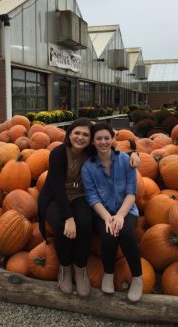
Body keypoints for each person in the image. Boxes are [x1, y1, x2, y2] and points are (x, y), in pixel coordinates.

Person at [38, 118, 140, 298]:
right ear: (69, 133)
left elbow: (111, 149)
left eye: (85, 134)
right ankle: (65, 268)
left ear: (89, 139)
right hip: (56, 197)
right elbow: (58, 189)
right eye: (77, 133)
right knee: (62, 226)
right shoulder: (58, 153)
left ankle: (81, 269)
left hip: (79, 196)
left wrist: (134, 154)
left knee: (85, 224)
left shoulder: (91, 151)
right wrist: (69, 218)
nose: (80, 137)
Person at [81, 122, 143, 302]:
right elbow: (92, 198)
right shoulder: (88, 168)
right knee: (109, 234)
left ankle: (137, 278)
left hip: (126, 210)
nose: (103, 142)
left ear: (113, 139)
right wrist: (109, 218)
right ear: (93, 142)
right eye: (98, 139)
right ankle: (108, 273)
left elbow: (132, 193)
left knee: (124, 232)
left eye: (106, 138)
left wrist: (119, 216)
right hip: (103, 213)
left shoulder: (125, 160)